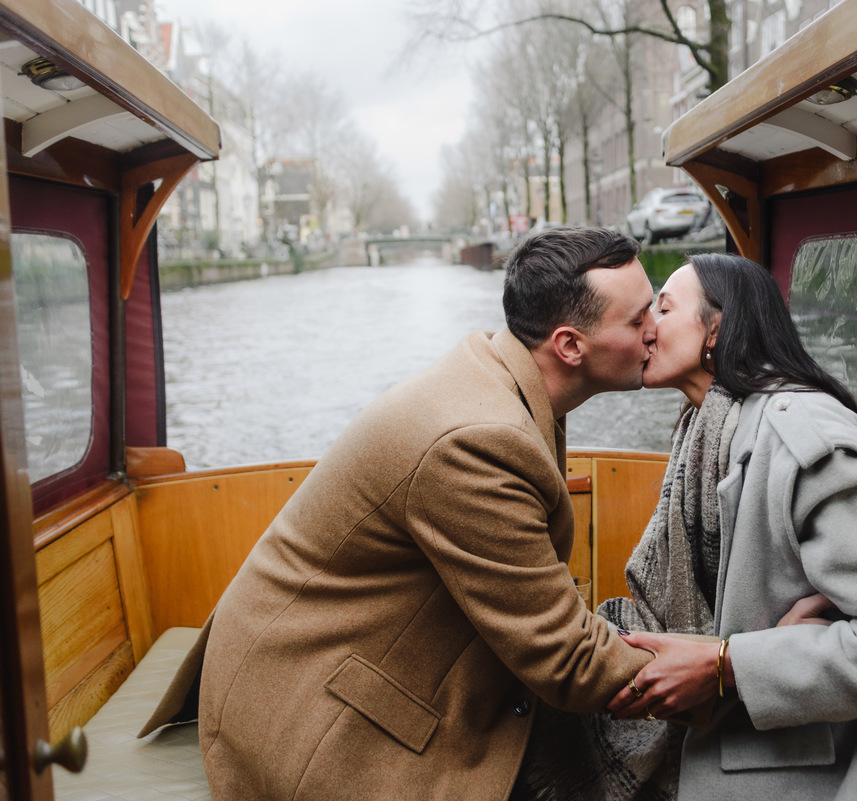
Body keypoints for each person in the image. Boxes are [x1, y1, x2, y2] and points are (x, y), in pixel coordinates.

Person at [140, 227, 660, 801]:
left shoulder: (498, 376)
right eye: (638, 322)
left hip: (324, 663)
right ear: (569, 346)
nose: (655, 330)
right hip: (312, 716)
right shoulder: (480, 440)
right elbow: (567, 659)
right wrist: (729, 670)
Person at [604, 252, 857, 800]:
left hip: (801, 775)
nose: (646, 327)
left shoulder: (805, 440)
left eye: (663, 309)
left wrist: (726, 663)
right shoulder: (703, 430)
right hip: (727, 745)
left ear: (718, 327)